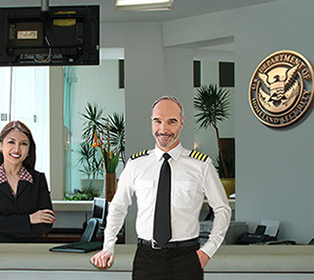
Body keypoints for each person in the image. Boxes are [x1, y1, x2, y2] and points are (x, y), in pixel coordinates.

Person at [91, 96, 231, 280]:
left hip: (187, 258)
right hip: (147, 258)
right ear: (152, 122)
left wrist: (208, 250)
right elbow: (118, 207)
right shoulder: (136, 164)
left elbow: (222, 209)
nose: (163, 129)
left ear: (181, 123)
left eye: (171, 122)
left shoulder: (201, 165)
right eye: (158, 121)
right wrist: (108, 246)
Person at [0, 120, 55, 242]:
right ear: (0, 145)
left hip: (30, 252)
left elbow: (45, 225)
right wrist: (29, 219)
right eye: (11, 142)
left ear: (29, 149)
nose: (17, 149)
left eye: (23, 144)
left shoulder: (38, 179)